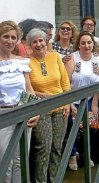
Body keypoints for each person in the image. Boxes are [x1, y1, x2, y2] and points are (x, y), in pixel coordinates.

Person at [0, 21, 39, 182]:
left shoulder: (21, 61)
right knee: (3, 162)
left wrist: (35, 112)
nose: (9, 41)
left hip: (22, 113)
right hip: (0, 114)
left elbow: (29, 88)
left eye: (13, 37)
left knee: (20, 161)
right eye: (6, 36)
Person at [27, 28, 71, 183]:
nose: (39, 44)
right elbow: (27, 88)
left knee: (57, 148)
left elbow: (65, 81)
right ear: (30, 45)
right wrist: (41, 95)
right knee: (43, 149)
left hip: (60, 107)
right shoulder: (27, 62)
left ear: (46, 42)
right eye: (34, 42)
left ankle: (55, 179)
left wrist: (67, 102)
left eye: (41, 40)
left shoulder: (55, 57)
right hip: (41, 109)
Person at [65, 32, 99, 170]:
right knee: (73, 128)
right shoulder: (72, 58)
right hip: (74, 101)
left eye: (89, 43)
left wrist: (94, 104)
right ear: (78, 44)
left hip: (89, 101)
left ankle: (85, 153)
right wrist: (70, 104)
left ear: (93, 44)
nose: (86, 46)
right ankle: (72, 155)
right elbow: (66, 82)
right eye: (83, 43)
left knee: (92, 128)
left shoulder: (97, 60)